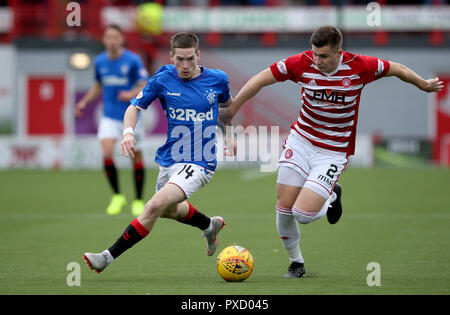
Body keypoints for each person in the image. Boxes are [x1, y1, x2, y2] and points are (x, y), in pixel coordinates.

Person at [219, 25, 444, 278]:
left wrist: (422, 84)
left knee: (302, 214)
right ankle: (296, 263)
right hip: (301, 141)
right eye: (315, 54)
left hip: (333, 151)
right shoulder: (301, 63)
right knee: (283, 208)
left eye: (324, 56)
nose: (317, 61)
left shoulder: (361, 66)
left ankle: (332, 196)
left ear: (339, 53)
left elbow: (396, 68)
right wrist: (233, 108)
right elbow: (261, 78)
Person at [83, 32, 235, 273]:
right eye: (179, 60)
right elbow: (133, 107)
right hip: (170, 159)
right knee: (169, 210)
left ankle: (106, 257)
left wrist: (229, 134)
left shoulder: (217, 79)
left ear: (198, 55)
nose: (185, 66)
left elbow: (226, 107)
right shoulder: (163, 78)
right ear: (171, 56)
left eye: (190, 59)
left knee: (154, 206)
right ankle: (209, 225)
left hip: (201, 161)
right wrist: (128, 133)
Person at [75, 24, 149, 216]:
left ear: (122, 39)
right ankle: (117, 195)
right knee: (107, 153)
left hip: (131, 116)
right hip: (109, 116)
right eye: (109, 37)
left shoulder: (132, 60)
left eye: (116, 37)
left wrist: (131, 94)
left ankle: (138, 200)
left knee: (136, 158)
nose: (112, 41)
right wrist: (83, 102)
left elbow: (145, 84)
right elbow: (98, 85)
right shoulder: (100, 61)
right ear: (104, 40)